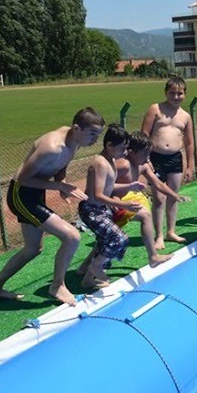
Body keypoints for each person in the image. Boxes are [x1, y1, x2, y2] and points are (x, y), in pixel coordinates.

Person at [0, 107, 105, 306]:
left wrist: (61, 183)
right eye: (92, 133)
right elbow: (23, 179)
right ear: (77, 128)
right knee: (72, 237)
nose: (95, 139)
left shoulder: (74, 141)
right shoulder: (52, 146)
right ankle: (57, 286)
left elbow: (61, 166)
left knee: (33, 249)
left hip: (35, 192)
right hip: (22, 195)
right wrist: (60, 186)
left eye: (98, 134)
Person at [103, 131, 190, 271]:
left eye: (149, 153)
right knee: (108, 237)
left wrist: (174, 195)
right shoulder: (122, 165)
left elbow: (158, 184)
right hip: (110, 203)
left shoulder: (143, 166)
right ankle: (153, 257)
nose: (148, 157)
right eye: (144, 154)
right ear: (131, 152)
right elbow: (104, 183)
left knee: (139, 219)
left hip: (124, 201)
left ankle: (85, 268)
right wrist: (113, 196)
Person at [76, 124, 143, 290]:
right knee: (119, 238)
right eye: (122, 148)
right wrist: (124, 204)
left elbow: (110, 186)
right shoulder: (100, 163)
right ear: (109, 145)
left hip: (101, 209)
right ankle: (95, 266)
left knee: (103, 243)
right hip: (91, 210)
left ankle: (87, 279)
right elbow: (98, 195)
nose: (125, 152)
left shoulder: (111, 160)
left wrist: (130, 186)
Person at [141, 76, 195, 249]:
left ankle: (171, 231)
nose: (176, 97)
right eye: (172, 93)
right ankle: (159, 235)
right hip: (155, 158)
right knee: (159, 198)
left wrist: (190, 165)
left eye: (180, 94)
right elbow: (144, 134)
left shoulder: (185, 116)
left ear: (185, 94)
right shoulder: (155, 109)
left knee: (173, 196)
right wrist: (145, 159)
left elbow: (189, 142)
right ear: (166, 92)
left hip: (175, 159)